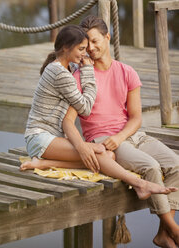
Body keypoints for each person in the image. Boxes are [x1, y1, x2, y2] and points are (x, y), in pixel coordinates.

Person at [21, 24, 176, 201]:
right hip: (40, 137)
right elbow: (85, 108)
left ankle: (43, 163)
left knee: (108, 155)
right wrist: (87, 70)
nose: (84, 54)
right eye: (81, 49)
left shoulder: (66, 70)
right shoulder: (59, 74)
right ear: (66, 47)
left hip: (50, 138)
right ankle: (139, 183)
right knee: (101, 153)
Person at [71, 15, 179, 248]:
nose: (90, 47)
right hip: (103, 140)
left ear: (108, 38)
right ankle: (174, 230)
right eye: (86, 43)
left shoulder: (127, 72)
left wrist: (121, 136)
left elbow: (136, 118)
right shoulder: (79, 77)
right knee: (150, 167)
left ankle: (164, 231)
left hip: (130, 135)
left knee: (176, 164)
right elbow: (68, 118)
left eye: (95, 40)